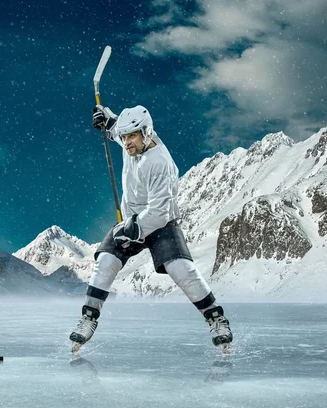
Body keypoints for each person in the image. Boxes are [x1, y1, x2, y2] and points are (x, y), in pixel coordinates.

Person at [69, 104, 233, 351]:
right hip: (130, 220)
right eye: (124, 137)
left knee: (181, 269)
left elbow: (159, 212)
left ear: (146, 133)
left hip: (161, 222)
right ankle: (89, 318)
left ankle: (216, 319)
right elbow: (114, 127)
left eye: (131, 136)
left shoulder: (161, 163)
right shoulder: (131, 144)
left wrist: (134, 228)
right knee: (105, 261)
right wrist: (106, 117)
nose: (126, 143)